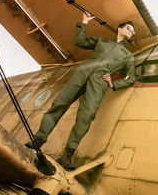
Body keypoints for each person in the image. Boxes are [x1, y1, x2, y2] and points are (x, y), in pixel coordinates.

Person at [25, 12, 136, 170]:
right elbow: (79, 41)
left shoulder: (128, 56)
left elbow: (131, 77)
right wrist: (84, 22)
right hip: (83, 72)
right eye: (129, 28)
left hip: (99, 82)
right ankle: (39, 139)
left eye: (133, 32)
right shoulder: (101, 41)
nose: (131, 31)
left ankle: (67, 155)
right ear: (119, 28)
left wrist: (113, 83)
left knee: (86, 115)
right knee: (60, 102)